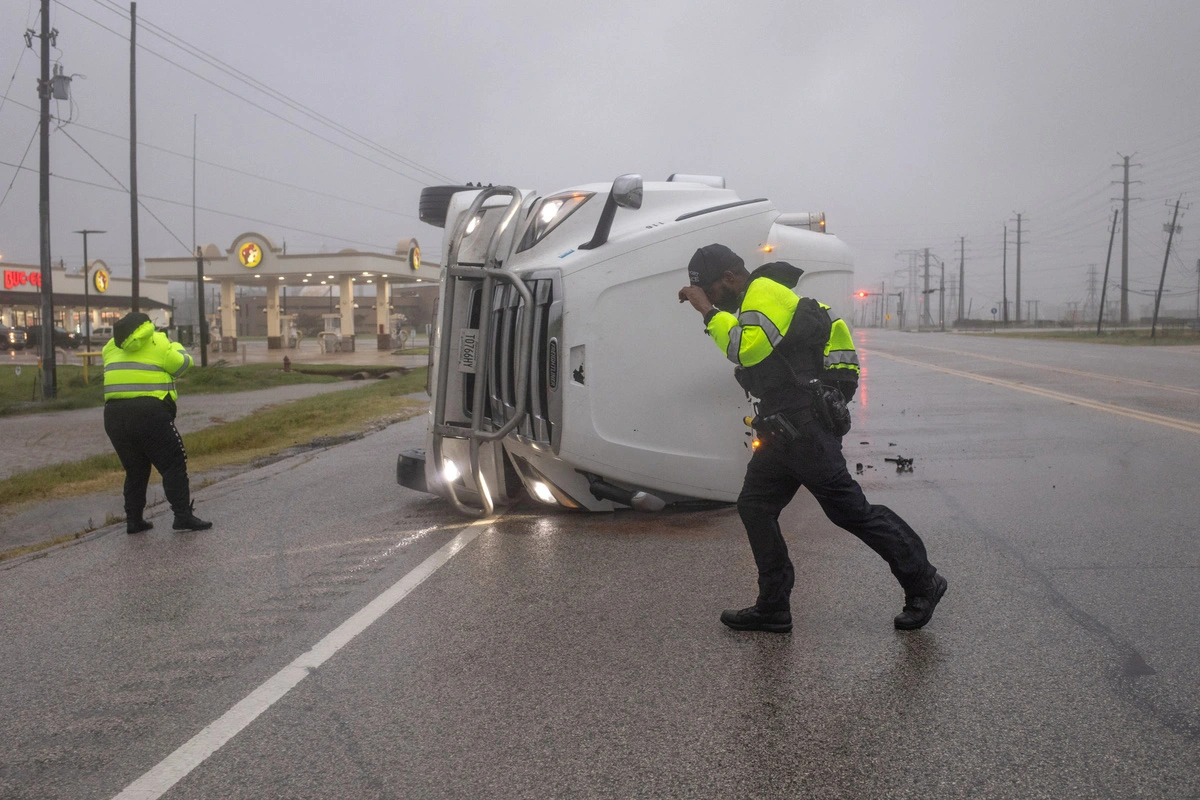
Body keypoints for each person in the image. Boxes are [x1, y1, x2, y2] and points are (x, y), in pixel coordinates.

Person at [677, 243, 945, 633]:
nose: (713, 300)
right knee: (755, 505)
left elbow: (745, 351)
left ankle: (924, 581)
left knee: (851, 512)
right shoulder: (763, 298)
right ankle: (773, 606)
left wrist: (707, 310)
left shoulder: (762, 293)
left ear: (730, 278)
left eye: (713, 291)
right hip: (782, 429)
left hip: (804, 431)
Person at [102, 311, 212, 534]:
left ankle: (134, 521)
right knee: (173, 463)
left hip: (114, 416)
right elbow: (182, 365)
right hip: (149, 413)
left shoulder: (111, 347)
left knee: (135, 468)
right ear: (148, 327)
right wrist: (176, 346)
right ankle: (182, 516)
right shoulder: (159, 342)